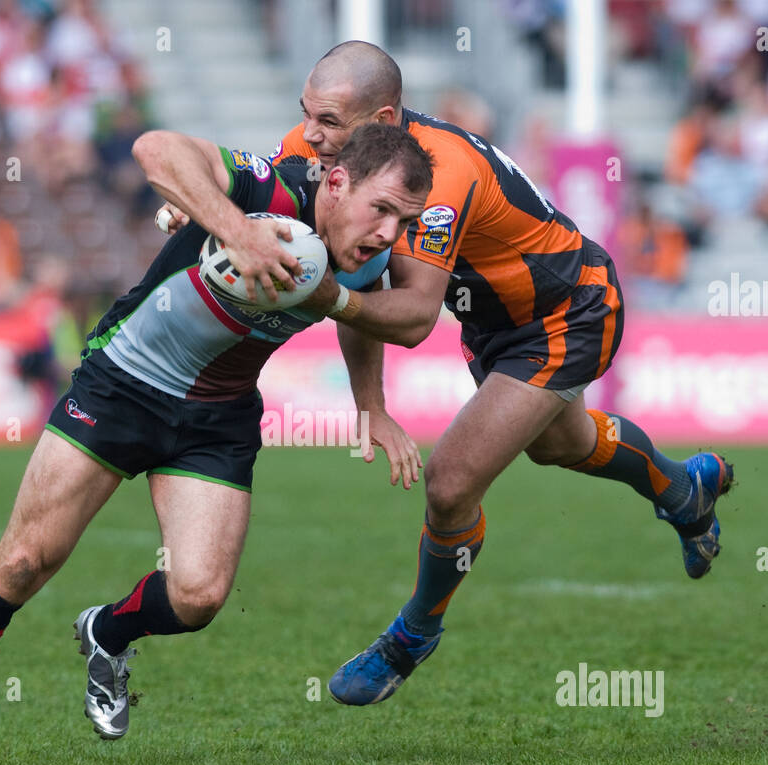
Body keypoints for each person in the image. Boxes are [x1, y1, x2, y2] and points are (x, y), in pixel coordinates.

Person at [0, 122, 434, 765]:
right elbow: (156, 150)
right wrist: (236, 229)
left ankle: (108, 630)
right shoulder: (274, 189)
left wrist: (371, 406)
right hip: (124, 383)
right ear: (339, 182)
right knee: (21, 562)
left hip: (217, 417)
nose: (387, 233)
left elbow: (363, 315)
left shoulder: (370, 255)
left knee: (200, 595)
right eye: (381, 210)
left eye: (402, 220)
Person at [164, 41, 734, 707]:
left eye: (327, 120)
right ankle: (683, 489)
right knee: (561, 445)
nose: (310, 135)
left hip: (565, 309)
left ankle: (413, 634)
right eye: (306, 115)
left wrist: (323, 300)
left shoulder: (442, 176)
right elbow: (341, 257)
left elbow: (405, 316)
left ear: (380, 117)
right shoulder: (320, 151)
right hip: (494, 321)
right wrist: (207, 213)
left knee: (450, 481)